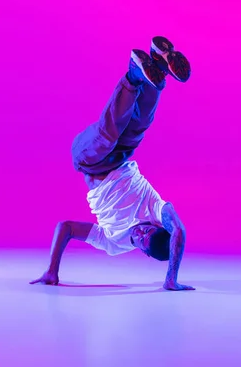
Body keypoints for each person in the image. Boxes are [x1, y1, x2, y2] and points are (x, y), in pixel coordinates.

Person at [30, 36, 194, 291]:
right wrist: (170, 278)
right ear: (155, 226)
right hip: (122, 157)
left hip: (89, 161)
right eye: (147, 231)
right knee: (139, 126)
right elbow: (180, 231)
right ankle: (156, 66)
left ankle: (134, 75)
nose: (140, 233)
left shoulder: (114, 243)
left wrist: (52, 270)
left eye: (142, 241)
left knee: (108, 135)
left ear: (144, 253)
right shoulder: (155, 211)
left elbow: (66, 228)